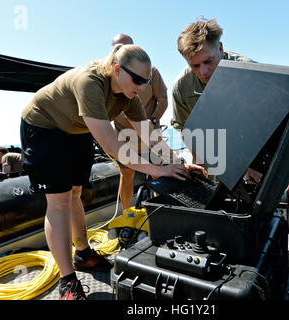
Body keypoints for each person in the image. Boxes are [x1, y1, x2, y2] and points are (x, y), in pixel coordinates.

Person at [20, 44, 206, 300]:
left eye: (147, 81)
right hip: (44, 126)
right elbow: (114, 147)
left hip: (76, 129)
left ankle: (83, 254)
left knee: (75, 193)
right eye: (138, 80)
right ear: (117, 70)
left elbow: (151, 137)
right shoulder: (90, 83)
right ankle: (67, 281)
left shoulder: (128, 97)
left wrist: (179, 164)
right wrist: (158, 170)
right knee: (59, 200)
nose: (142, 88)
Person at [171, 17, 261, 182]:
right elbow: (186, 129)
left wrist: (247, 165)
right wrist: (200, 161)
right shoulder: (181, 87)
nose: (203, 71)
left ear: (220, 48)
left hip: (253, 149)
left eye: (208, 61)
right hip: (213, 152)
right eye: (195, 66)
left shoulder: (250, 74)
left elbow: (263, 125)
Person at [111, 33, 169, 210]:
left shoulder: (153, 72)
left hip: (150, 137)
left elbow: (163, 99)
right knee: (126, 175)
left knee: (158, 174)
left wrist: (152, 119)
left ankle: (162, 211)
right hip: (125, 138)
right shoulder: (108, 80)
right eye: (118, 48)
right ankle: (126, 214)